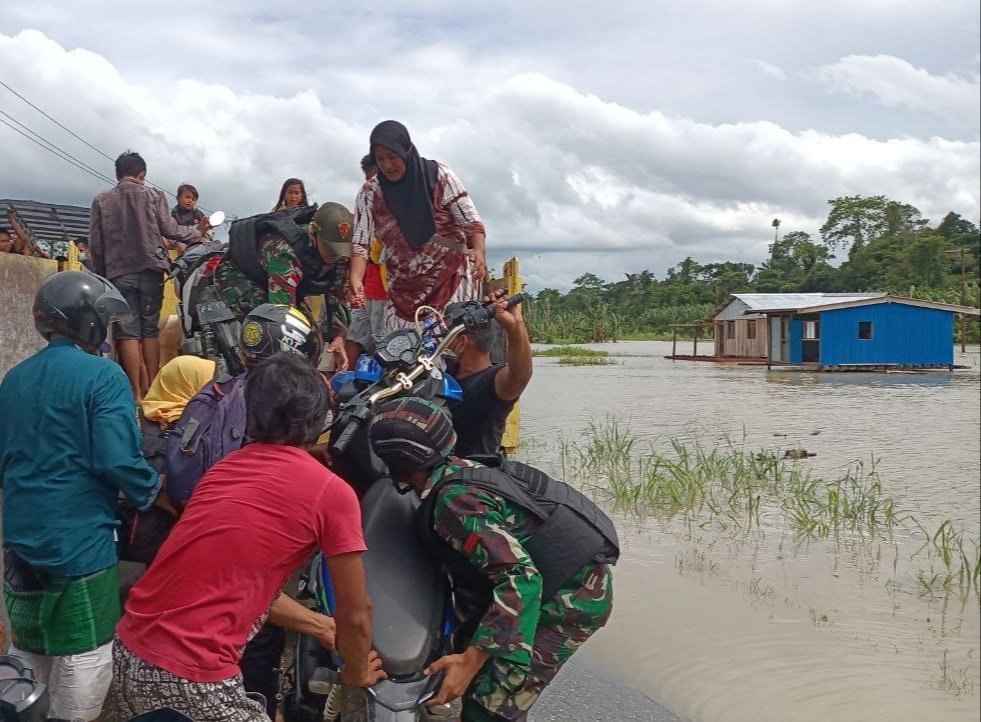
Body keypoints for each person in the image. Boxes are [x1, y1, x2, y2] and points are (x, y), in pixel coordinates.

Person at [104, 353, 385, 721]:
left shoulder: (222, 470)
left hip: (129, 654)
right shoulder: (331, 492)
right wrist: (356, 672)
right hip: (192, 676)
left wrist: (319, 624)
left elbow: (233, 585)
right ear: (323, 418)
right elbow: (357, 613)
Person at [367, 397, 617, 722]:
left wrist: (470, 661)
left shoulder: (453, 502)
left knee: (492, 703)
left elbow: (522, 579)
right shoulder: (462, 469)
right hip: (554, 571)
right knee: (480, 662)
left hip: (570, 596)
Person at [0, 271, 163, 721]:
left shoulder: (14, 378)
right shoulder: (104, 376)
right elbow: (119, 458)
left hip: (19, 537)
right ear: (88, 321)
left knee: (28, 647)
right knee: (86, 650)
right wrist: (154, 492)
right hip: (79, 539)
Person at [88, 151, 209, 401]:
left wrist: (101, 276)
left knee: (127, 332)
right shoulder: (154, 196)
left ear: (118, 175)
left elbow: (96, 244)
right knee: (150, 330)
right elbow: (170, 229)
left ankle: (134, 393)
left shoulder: (102, 200)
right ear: (142, 174)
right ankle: (153, 391)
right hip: (151, 270)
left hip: (119, 274)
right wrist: (198, 234)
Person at [349, 120, 487, 333]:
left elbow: (471, 222)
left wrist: (478, 250)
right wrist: (356, 278)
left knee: (449, 345)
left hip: (450, 280)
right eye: (380, 159)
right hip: (403, 290)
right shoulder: (371, 193)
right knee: (401, 348)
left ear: (405, 151)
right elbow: (361, 242)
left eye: (392, 157)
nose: (387, 165)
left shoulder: (439, 177)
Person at [210, 201, 354, 371]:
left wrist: (338, 337)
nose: (334, 256)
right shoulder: (284, 250)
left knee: (312, 337)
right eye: (330, 248)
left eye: (339, 250)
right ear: (313, 234)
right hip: (239, 277)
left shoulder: (340, 254)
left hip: (278, 280)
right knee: (271, 333)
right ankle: (257, 375)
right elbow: (281, 316)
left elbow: (337, 297)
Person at [446, 291, 533, 457]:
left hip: (473, 471)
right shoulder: (445, 376)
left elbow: (520, 375)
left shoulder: (490, 382)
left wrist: (516, 325)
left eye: (446, 338)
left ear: (462, 343)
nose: (441, 344)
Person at [345, 155, 389, 363]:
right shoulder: (365, 207)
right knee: (355, 333)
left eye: (374, 179)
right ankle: (346, 374)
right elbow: (358, 250)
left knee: (383, 340)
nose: (371, 185)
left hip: (385, 289)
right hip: (366, 285)